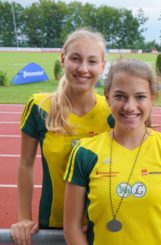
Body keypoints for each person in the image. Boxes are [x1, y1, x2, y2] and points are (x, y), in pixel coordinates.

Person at [63, 58, 161, 245]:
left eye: (140, 97)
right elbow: (72, 227)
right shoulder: (85, 152)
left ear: (153, 98)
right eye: (120, 96)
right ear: (107, 96)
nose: (129, 107)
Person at [10, 28, 114, 245]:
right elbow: (25, 165)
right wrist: (24, 218)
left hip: (99, 226)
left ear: (103, 66)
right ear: (63, 59)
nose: (83, 68)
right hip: (52, 224)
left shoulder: (112, 113)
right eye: (75, 59)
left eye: (92, 61)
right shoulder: (39, 106)